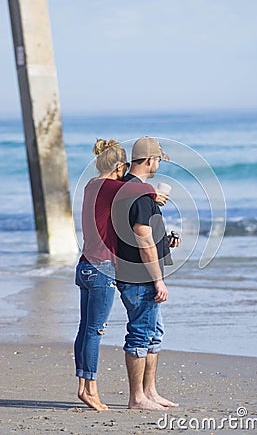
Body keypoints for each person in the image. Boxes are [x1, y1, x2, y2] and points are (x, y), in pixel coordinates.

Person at [74, 138, 168, 411]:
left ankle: (83, 385)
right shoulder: (110, 187)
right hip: (101, 267)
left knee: (86, 330)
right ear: (117, 166)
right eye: (121, 167)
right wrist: (153, 193)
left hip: (84, 265)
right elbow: (137, 187)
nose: (123, 171)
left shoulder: (92, 186)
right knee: (95, 330)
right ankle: (89, 389)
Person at [115, 136, 181, 411]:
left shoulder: (130, 189)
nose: (158, 165)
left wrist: (164, 240)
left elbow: (140, 233)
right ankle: (137, 398)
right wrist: (158, 279)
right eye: (157, 160)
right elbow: (141, 239)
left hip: (135, 272)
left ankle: (150, 391)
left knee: (154, 334)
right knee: (141, 335)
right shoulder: (140, 194)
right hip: (139, 275)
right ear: (151, 160)